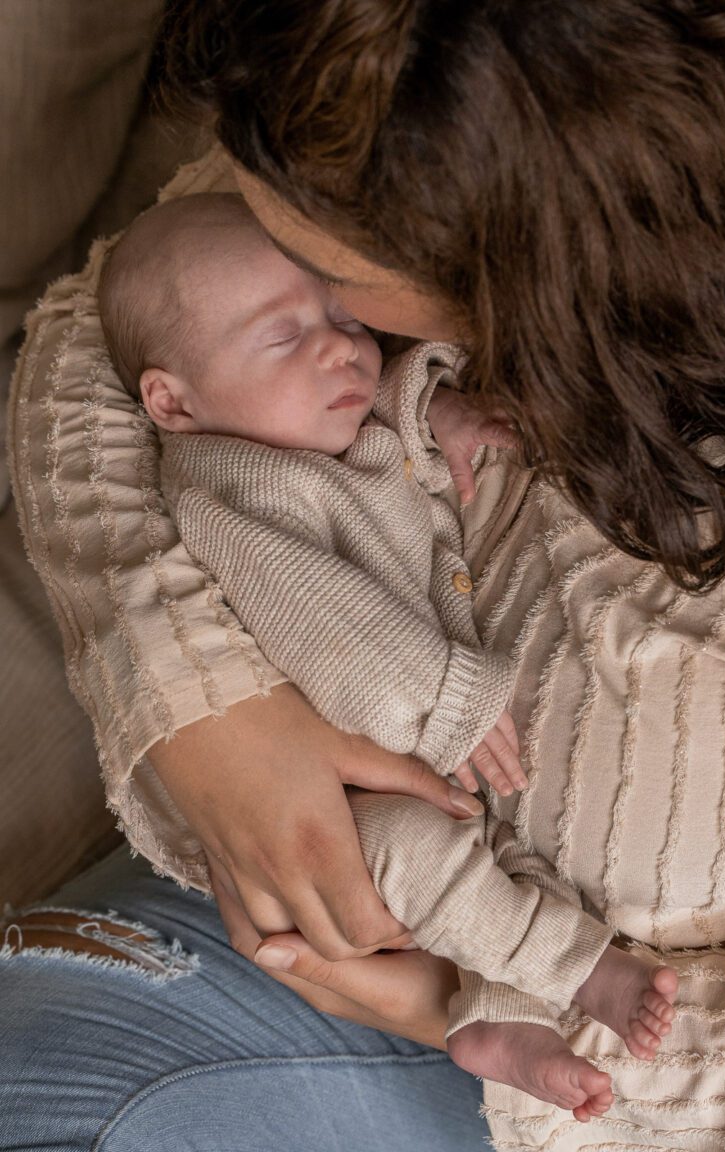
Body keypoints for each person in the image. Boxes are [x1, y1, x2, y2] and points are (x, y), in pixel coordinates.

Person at [4, 2, 725, 1148]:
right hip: (334, 871)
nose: (321, 309)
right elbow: (106, 328)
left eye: (328, 275)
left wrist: (440, 1008)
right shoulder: (429, 88)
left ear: (518, 255)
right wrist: (202, 710)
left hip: (600, 1066)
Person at [97, 189, 678, 1118]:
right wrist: (447, 700)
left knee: (487, 847)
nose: (340, 346)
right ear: (171, 401)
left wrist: (429, 411)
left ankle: (494, 1018)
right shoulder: (230, 485)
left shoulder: (303, 421)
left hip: (417, 756)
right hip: (346, 797)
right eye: (284, 338)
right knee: (422, 854)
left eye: (339, 314)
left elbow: (386, 433)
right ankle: (576, 974)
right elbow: (324, 623)